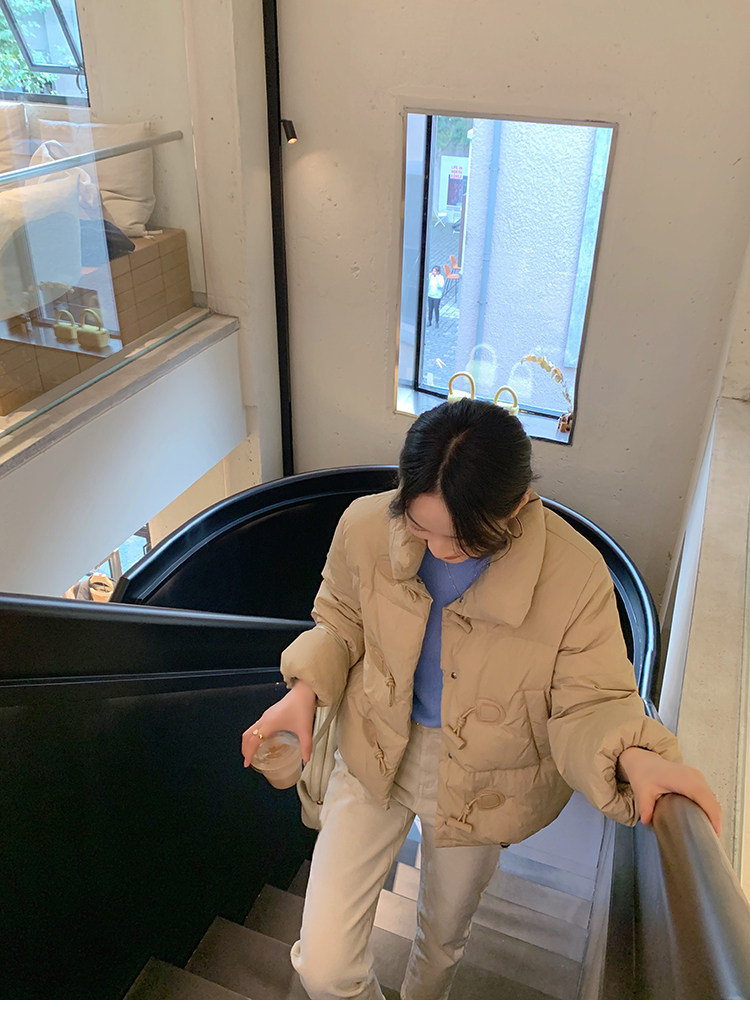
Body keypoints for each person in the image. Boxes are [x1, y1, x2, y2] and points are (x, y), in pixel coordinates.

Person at [241, 398, 721, 1001]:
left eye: (465, 539)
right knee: (323, 963)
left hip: (486, 777)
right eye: (421, 529)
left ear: (518, 505)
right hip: (371, 743)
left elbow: (592, 698)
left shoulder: (575, 575)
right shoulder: (364, 525)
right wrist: (305, 691)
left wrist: (635, 755)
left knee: (442, 939)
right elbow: (339, 619)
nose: (441, 550)